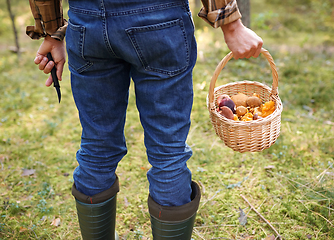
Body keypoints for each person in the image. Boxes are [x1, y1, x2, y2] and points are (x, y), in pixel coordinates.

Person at [27, 0, 263, 239]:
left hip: (89, 22)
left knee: (97, 146)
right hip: (160, 18)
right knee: (168, 153)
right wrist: (231, 25)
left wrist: (51, 31)